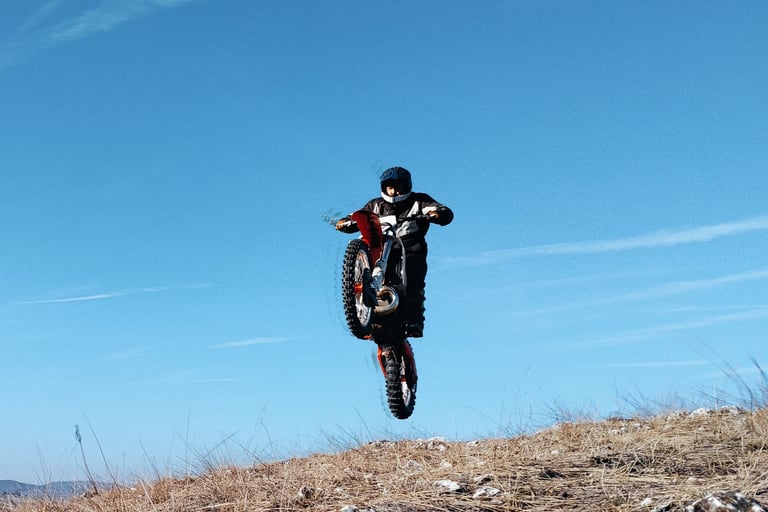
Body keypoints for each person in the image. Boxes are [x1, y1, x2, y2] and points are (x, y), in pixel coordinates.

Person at [336, 166, 453, 337]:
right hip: (382, 246)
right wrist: (345, 222)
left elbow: (441, 210)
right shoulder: (375, 205)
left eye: (398, 187)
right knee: (367, 253)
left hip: (410, 246)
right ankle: (365, 307)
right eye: (390, 188)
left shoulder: (419, 200)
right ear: (384, 188)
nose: (394, 192)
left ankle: (415, 319)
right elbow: (358, 216)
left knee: (414, 278)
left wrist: (438, 214)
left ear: (407, 186)